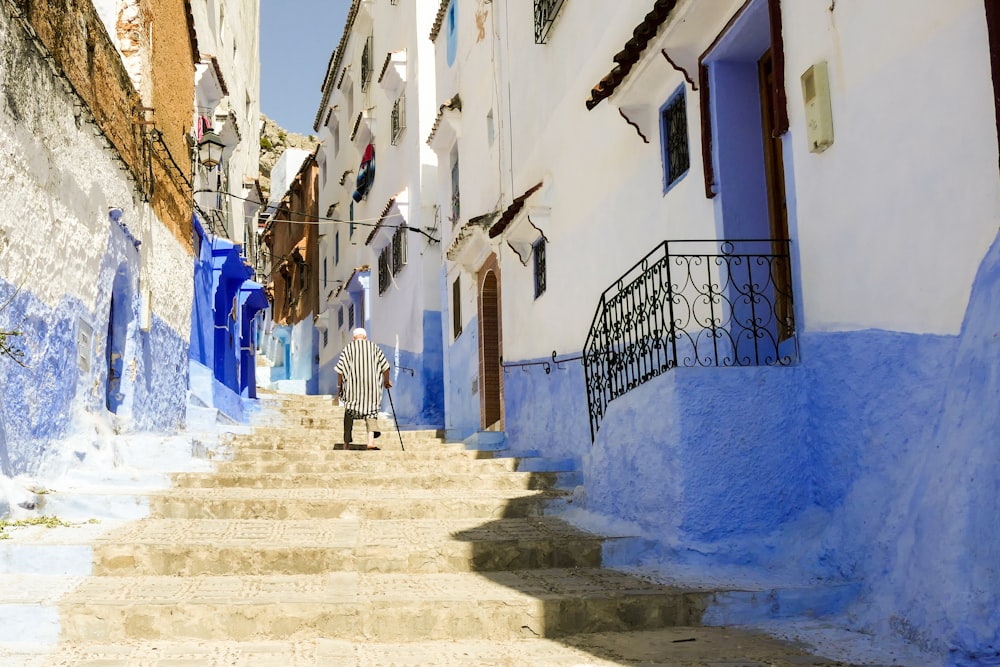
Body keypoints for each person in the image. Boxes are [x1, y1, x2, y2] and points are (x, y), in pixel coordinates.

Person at [335, 327, 392, 450]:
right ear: (365, 338)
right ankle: (370, 442)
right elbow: (386, 367)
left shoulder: (348, 349)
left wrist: (339, 388)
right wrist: (386, 381)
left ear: (354, 338)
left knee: (349, 412)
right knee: (371, 413)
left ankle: (346, 443)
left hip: (352, 390)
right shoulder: (374, 348)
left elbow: (340, 370)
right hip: (372, 390)